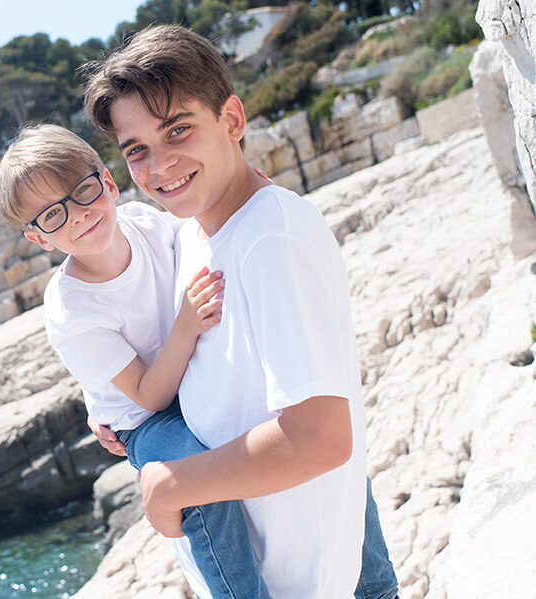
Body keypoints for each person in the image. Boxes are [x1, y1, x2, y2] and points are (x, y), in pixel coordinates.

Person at [81, 24, 399, 599]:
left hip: (302, 580)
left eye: (179, 129)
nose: (161, 164)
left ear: (231, 120)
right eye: (137, 150)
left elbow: (322, 438)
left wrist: (171, 484)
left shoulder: (270, 241)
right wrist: (107, 403)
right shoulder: (197, 232)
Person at [0, 123, 269, 598]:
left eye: (82, 191)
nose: (78, 216)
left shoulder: (143, 221)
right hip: (145, 418)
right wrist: (186, 324)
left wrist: (249, 192)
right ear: (39, 238)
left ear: (107, 180)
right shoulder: (72, 308)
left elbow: (202, 236)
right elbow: (148, 394)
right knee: (197, 481)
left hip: (191, 375)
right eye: (53, 216)